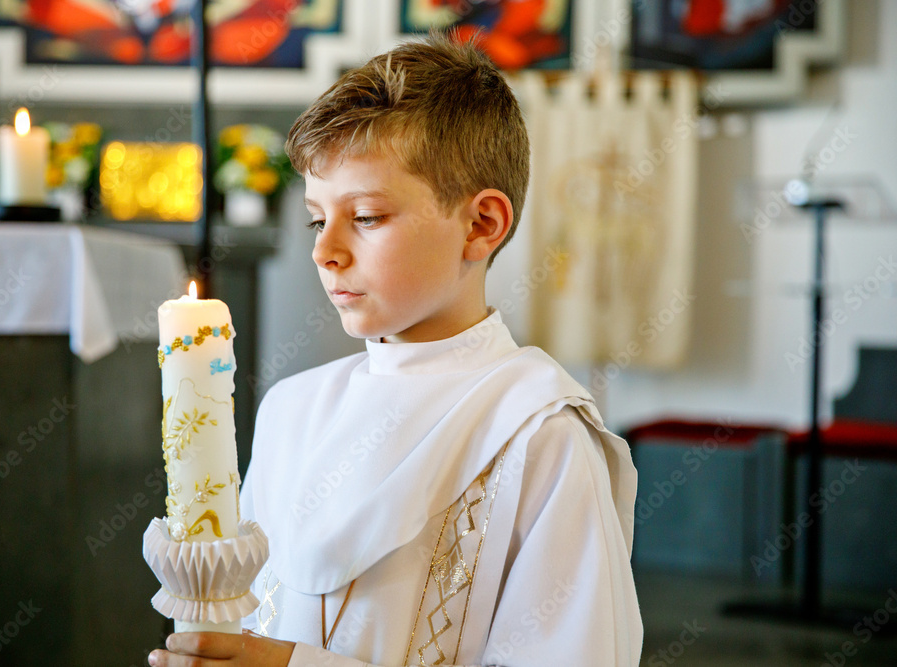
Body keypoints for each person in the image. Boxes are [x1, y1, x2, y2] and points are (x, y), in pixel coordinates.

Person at [149, 32, 642, 667]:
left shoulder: (540, 437)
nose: (325, 251)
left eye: (368, 216)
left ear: (481, 225)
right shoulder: (291, 409)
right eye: (315, 218)